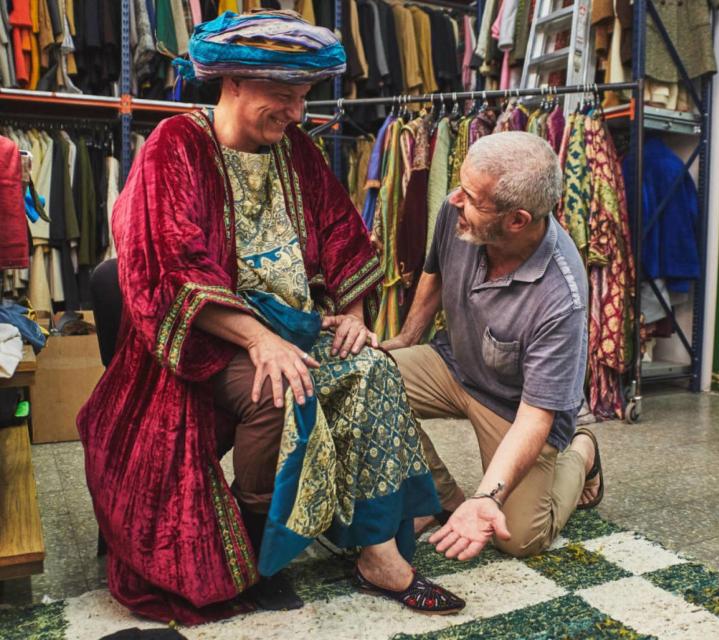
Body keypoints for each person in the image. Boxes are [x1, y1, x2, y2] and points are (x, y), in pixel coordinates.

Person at [77, 10, 463, 625]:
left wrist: (354, 312)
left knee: (375, 370)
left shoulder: (296, 149)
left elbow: (341, 231)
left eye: (302, 98)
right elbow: (166, 267)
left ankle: (378, 554)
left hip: (293, 329)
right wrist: (261, 341)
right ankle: (260, 544)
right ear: (233, 83)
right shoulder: (172, 147)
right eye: (282, 97)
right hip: (199, 344)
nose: (295, 113)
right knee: (279, 389)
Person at [383, 132, 604, 562]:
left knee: (518, 537)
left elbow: (534, 418)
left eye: (471, 197)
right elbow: (435, 272)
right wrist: (407, 339)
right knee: (367, 379)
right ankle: (440, 496)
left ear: (517, 220)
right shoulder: (460, 214)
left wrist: (488, 497)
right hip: (454, 365)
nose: (453, 201)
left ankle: (583, 451)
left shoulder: (561, 297)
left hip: (515, 408)